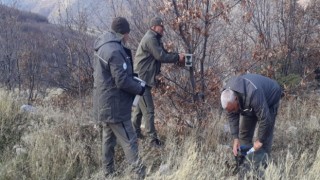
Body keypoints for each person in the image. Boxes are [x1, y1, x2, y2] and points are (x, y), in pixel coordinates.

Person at [93, 17, 145, 178]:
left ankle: (108, 173)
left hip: (103, 103)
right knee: (129, 139)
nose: (129, 37)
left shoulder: (103, 45)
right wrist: (139, 88)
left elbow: (111, 75)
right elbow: (121, 80)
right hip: (115, 106)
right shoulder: (114, 51)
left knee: (108, 140)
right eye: (128, 33)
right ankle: (139, 174)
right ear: (124, 33)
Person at [131, 17, 185, 147]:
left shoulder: (154, 39)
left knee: (139, 108)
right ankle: (152, 141)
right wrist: (178, 57)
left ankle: (135, 134)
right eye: (161, 27)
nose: (163, 29)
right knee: (149, 110)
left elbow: (164, 53)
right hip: (141, 80)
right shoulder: (150, 39)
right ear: (154, 27)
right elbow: (161, 56)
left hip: (142, 78)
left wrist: (178, 56)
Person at [220, 73, 282, 175]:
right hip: (248, 104)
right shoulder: (227, 97)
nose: (234, 112)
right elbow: (232, 116)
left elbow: (265, 119)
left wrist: (260, 140)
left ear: (236, 99)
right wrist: (235, 138)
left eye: (234, 109)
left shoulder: (253, 92)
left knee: (264, 140)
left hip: (270, 97)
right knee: (243, 135)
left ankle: (262, 168)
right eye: (230, 110)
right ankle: (247, 165)